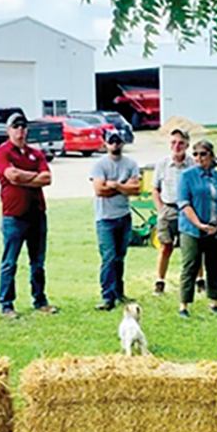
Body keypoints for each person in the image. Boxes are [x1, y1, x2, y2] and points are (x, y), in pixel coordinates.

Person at [0, 113, 58, 318]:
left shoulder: (36, 154)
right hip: (14, 215)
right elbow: (11, 176)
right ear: (8, 130)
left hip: (37, 213)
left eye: (23, 127)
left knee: (38, 261)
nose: (20, 131)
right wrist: (32, 178)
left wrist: (23, 178)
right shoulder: (1, 153)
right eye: (15, 127)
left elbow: (47, 178)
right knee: (10, 262)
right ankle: (7, 305)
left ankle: (40, 300)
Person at [175, 139, 217, 317]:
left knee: (214, 266)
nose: (199, 158)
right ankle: (184, 305)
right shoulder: (187, 176)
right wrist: (200, 225)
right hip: (192, 229)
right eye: (196, 154)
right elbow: (184, 204)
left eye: (203, 154)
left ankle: (214, 302)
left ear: (211, 155)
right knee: (190, 265)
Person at [91, 131, 141, 310]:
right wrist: (124, 187)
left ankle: (119, 292)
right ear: (105, 143)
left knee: (120, 257)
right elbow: (99, 190)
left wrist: (116, 185)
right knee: (109, 257)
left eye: (118, 142)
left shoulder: (131, 163)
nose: (115, 145)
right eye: (111, 142)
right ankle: (107, 296)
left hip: (124, 216)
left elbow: (136, 189)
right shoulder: (99, 165)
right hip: (105, 218)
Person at [152, 128, 193, 295]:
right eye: (174, 142)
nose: (177, 146)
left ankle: (199, 280)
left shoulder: (192, 164)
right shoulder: (162, 164)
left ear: (187, 145)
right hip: (168, 208)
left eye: (181, 143)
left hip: (187, 210)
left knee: (192, 247)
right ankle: (160, 282)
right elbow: (155, 189)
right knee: (165, 247)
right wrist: (161, 209)